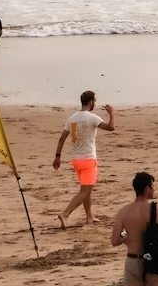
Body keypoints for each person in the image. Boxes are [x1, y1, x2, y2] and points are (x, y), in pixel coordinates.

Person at [53, 90, 116, 228]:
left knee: (85, 188)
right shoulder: (92, 118)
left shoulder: (72, 118)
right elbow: (111, 127)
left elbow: (62, 138)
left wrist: (57, 156)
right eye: (95, 101)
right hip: (88, 160)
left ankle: (89, 216)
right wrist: (111, 113)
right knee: (85, 191)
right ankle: (65, 214)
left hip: (76, 160)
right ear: (91, 102)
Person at [111, 172, 158, 286]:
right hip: (155, 260)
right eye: (153, 187)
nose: (154, 190)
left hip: (133, 260)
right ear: (147, 188)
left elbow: (114, 241)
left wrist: (124, 237)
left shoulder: (123, 211)